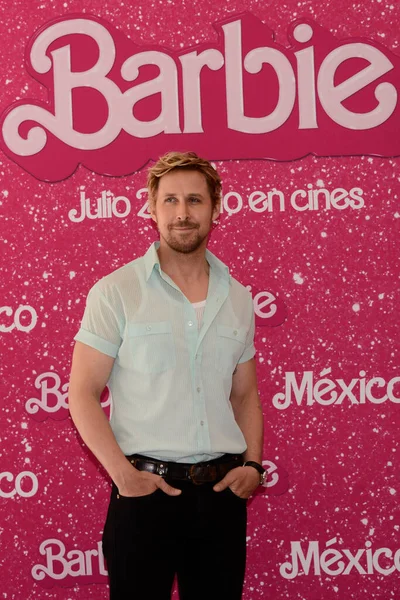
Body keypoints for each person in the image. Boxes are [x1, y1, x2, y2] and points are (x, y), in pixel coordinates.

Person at [68, 151, 265, 600]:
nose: (182, 213)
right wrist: (122, 475)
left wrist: (252, 465)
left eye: (194, 200)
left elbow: (244, 394)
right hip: (143, 494)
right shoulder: (116, 291)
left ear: (216, 209)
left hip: (221, 495)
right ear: (152, 209)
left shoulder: (237, 297)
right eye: (170, 201)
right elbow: (81, 392)